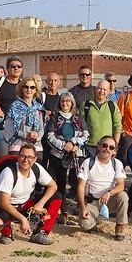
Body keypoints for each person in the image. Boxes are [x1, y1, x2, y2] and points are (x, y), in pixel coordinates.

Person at [0, 144, 61, 245]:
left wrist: (41, 203)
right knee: (0, 227)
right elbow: (4, 203)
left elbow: (53, 186)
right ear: (18, 157)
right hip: (6, 207)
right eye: (23, 156)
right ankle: (6, 231)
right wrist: (23, 219)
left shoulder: (36, 168)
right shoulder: (9, 172)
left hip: (25, 204)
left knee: (57, 197)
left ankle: (40, 232)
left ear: (35, 159)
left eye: (30, 157)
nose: (26, 160)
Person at [45, 92, 89, 220]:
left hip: (76, 154)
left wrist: (74, 143)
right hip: (58, 155)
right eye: (63, 101)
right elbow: (49, 135)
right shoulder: (55, 117)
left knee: (77, 182)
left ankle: (79, 207)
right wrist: (63, 145)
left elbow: (86, 134)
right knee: (60, 183)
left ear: (72, 103)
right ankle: (61, 209)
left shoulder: (78, 118)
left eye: (68, 101)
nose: (65, 104)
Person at [76, 136, 128, 240]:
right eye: (104, 145)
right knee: (84, 224)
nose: (107, 149)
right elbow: (80, 187)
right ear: (99, 147)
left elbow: (121, 185)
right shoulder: (88, 163)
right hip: (93, 201)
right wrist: (83, 208)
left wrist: (109, 192)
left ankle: (120, 226)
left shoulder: (117, 164)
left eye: (111, 147)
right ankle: (94, 221)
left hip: (109, 200)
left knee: (123, 196)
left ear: (114, 151)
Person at [3, 77, 45, 160]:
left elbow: (41, 128)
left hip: (36, 147)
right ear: (21, 89)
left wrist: (37, 136)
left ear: (36, 90)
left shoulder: (38, 107)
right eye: (26, 87)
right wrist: (26, 135)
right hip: (18, 147)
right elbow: (9, 129)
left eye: (32, 87)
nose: (29, 90)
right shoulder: (14, 107)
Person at [84, 80, 122, 157]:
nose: (102, 91)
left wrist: (114, 146)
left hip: (106, 147)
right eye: (99, 88)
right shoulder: (86, 105)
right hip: (89, 146)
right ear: (95, 89)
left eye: (105, 89)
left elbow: (117, 126)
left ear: (108, 91)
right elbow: (80, 125)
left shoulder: (112, 106)